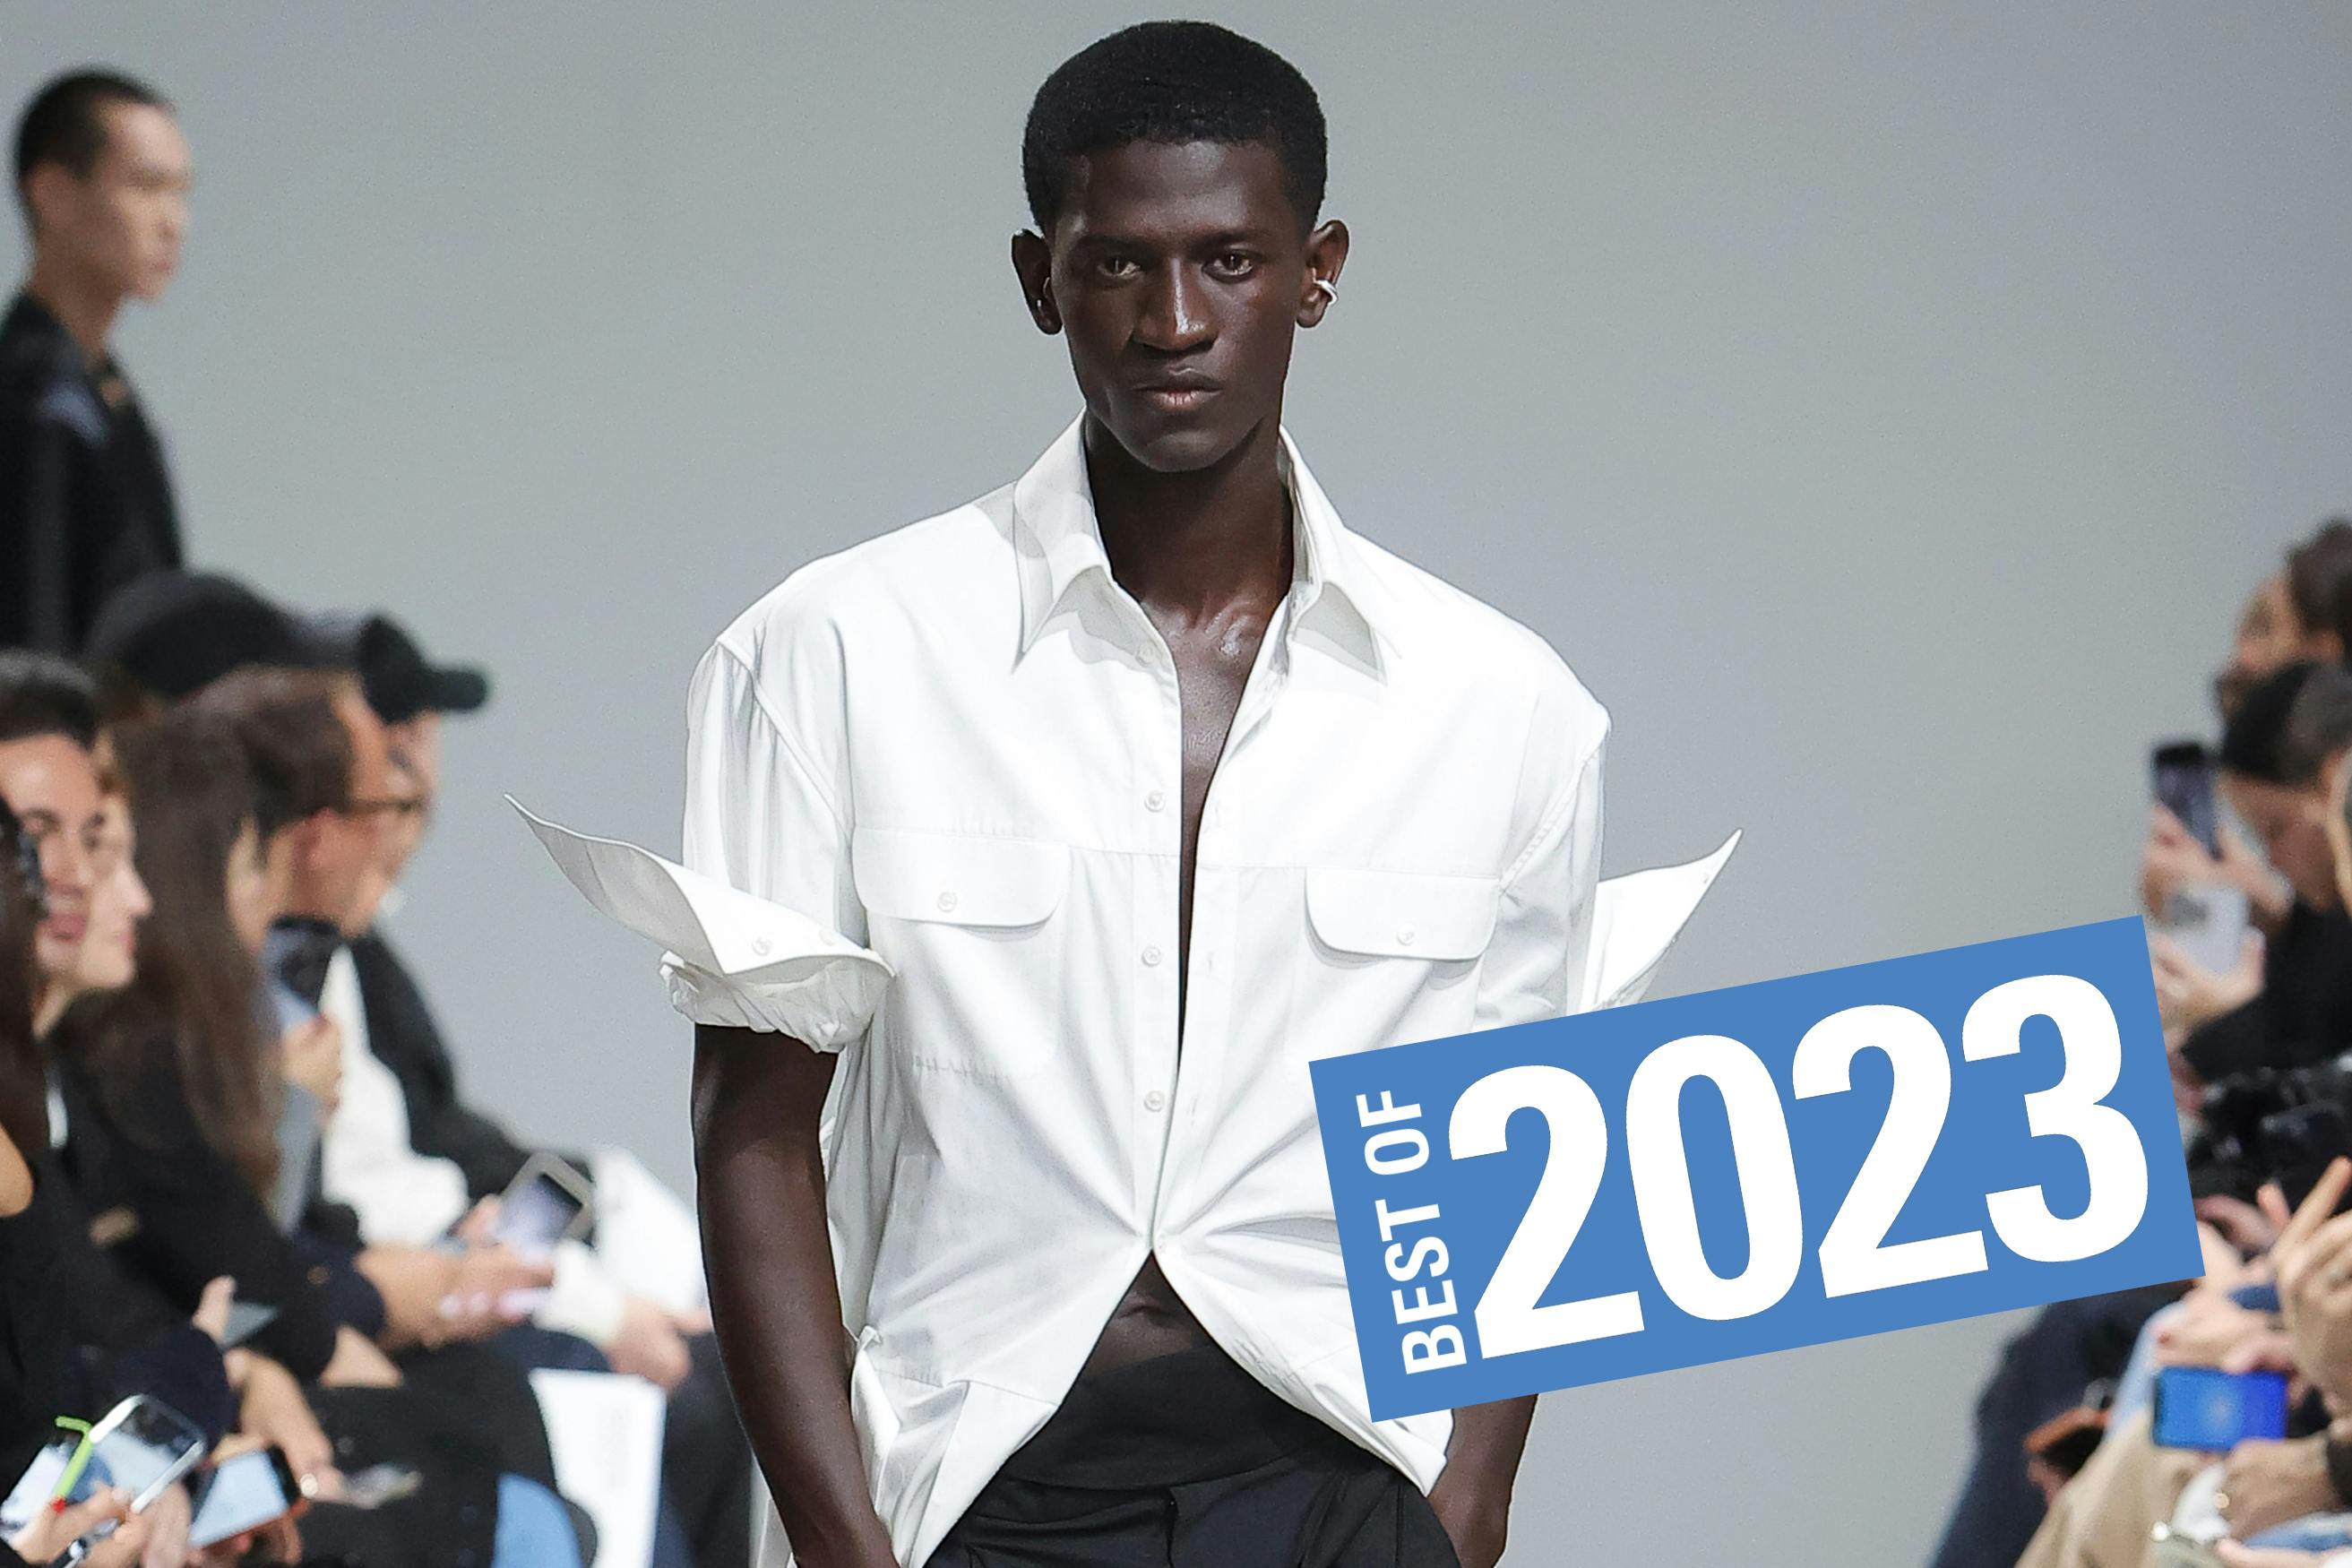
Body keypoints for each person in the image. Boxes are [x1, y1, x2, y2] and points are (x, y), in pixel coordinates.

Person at [530, 23, 1711, 1568]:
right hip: (976, 1485)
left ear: (1318, 270)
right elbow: (752, 1133)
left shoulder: (1504, 710)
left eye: (1229, 261)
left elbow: (1530, 1147)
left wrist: (1465, 1510)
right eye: (1116, 267)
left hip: (1347, 1486)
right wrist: (842, 1544)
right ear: (1039, 281)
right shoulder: (831, 656)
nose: (1173, 322)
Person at [2, 72, 190, 654]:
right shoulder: (32, 402)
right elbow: (29, 656)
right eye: (146, 186)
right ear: (53, 194)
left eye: (182, 192)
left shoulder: (101, 391)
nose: (173, 222)